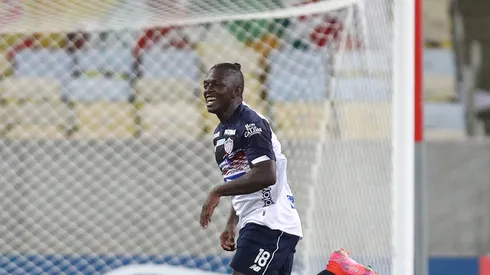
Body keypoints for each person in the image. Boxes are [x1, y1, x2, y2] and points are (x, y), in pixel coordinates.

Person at [199, 62, 377, 275]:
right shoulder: (220, 132)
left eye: (217, 85)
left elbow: (266, 175)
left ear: (237, 91)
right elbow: (242, 181)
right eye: (206, 84)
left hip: (269, 221)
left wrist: (217, 191)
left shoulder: (251, 124)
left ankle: (340, 270)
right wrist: (231, 224)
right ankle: (339, 270)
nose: (208, 90)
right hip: (257, 221)